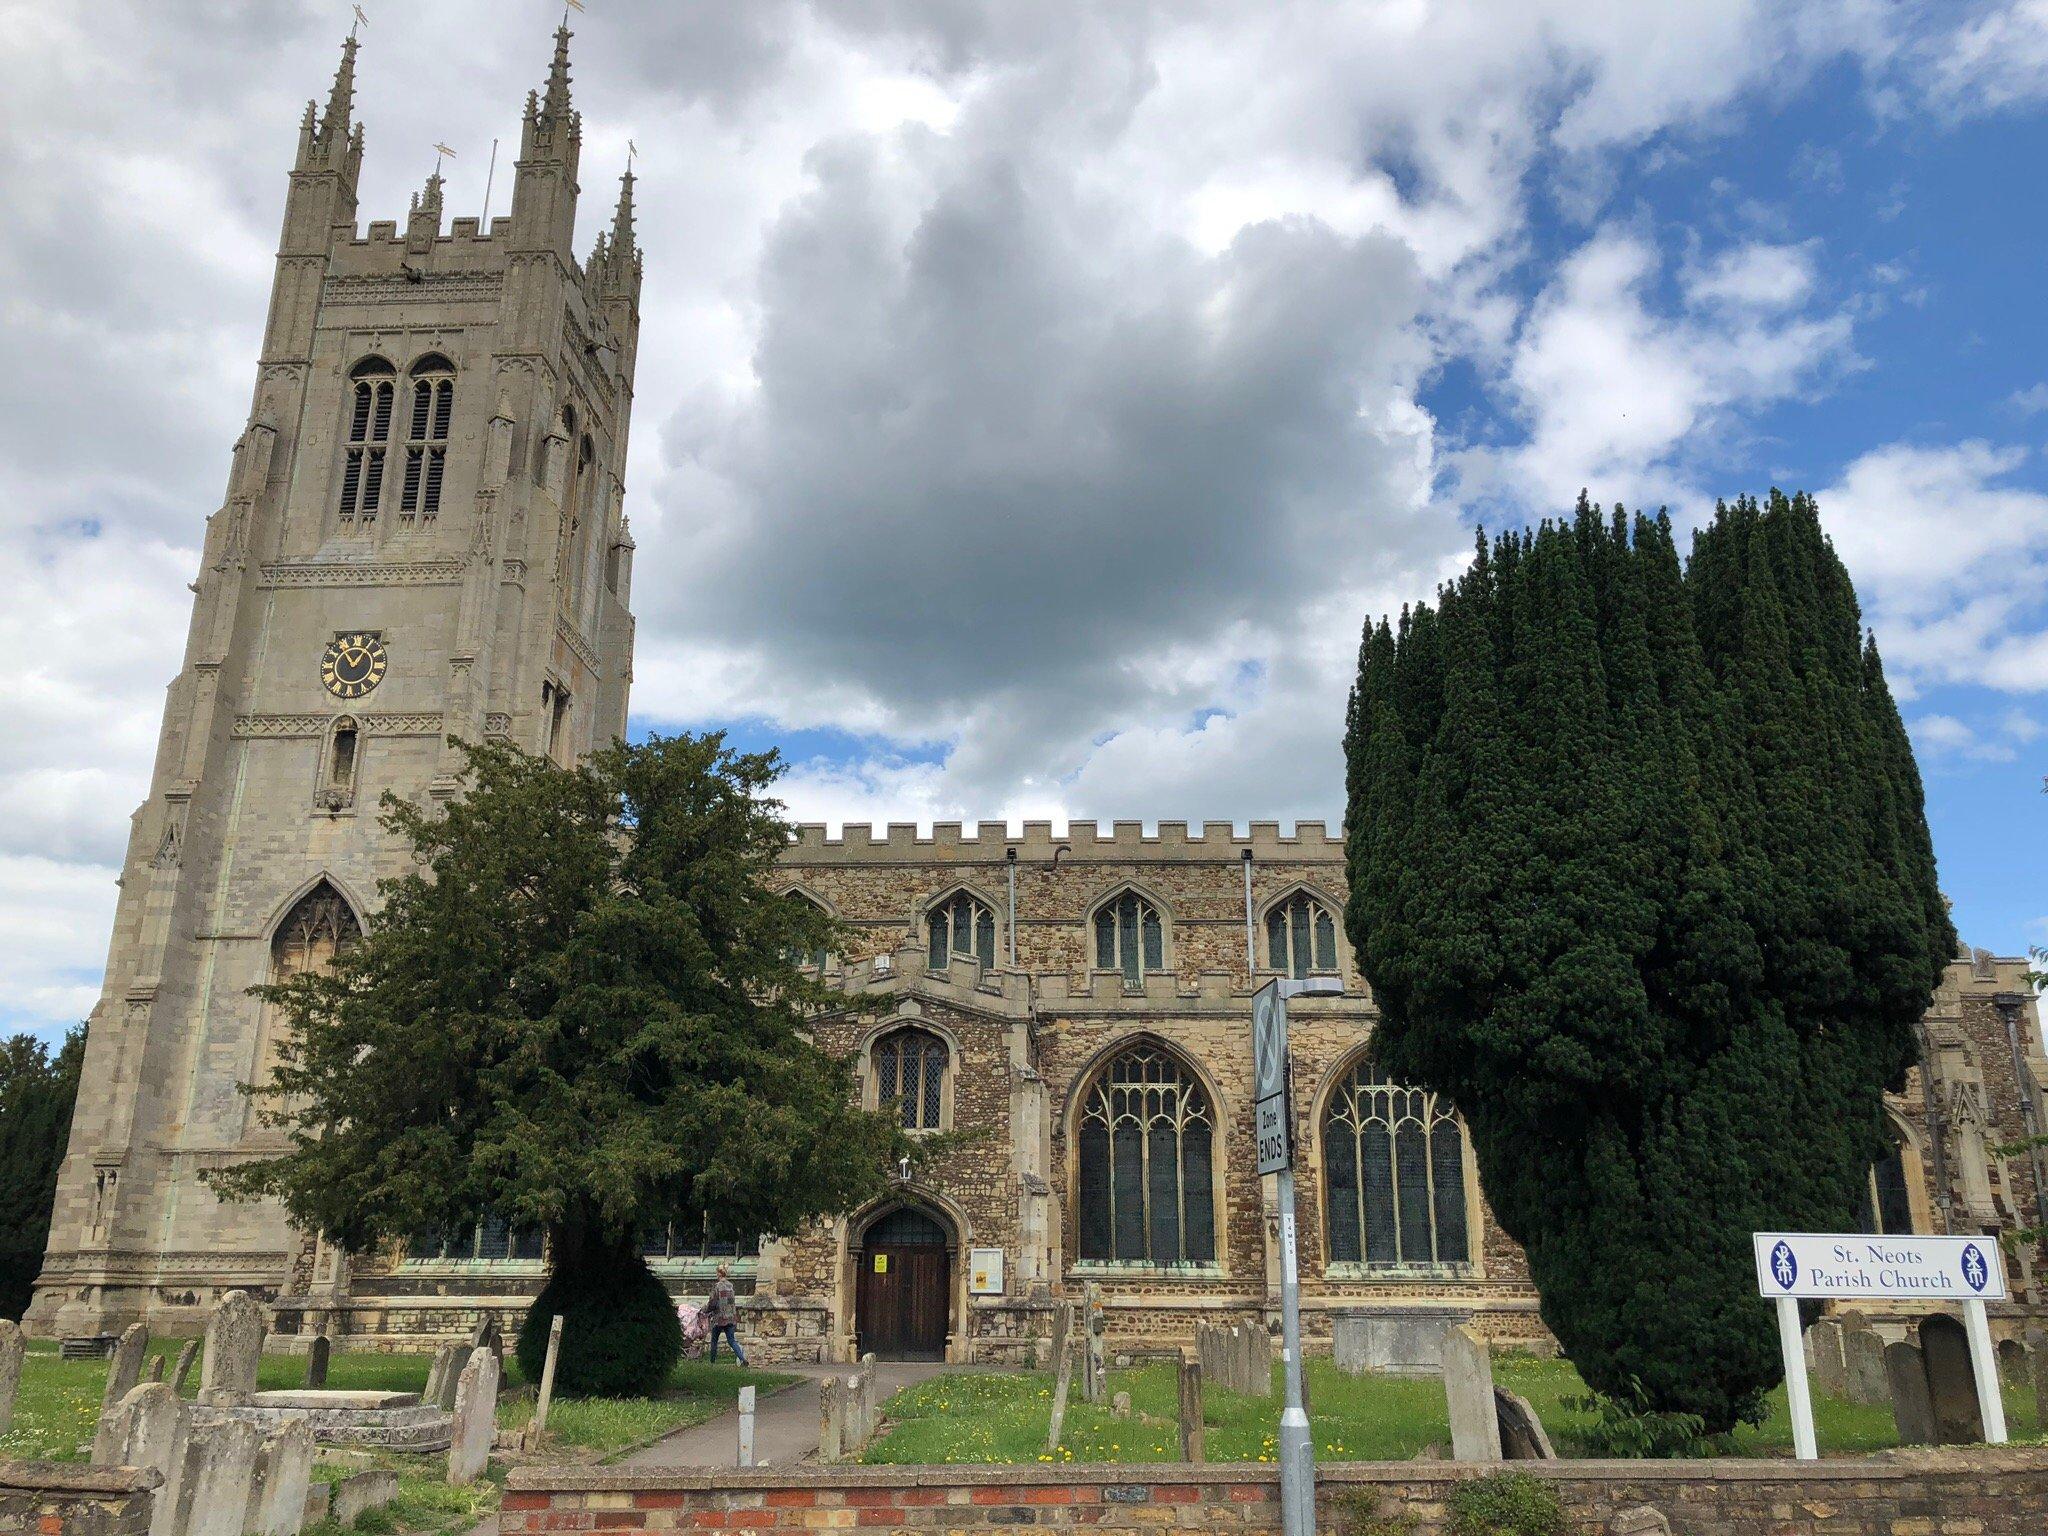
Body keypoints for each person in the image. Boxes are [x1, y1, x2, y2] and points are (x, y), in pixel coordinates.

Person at [706, 1262, 747, 1365]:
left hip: (719, 1318)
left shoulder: (717, 1287)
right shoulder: (730, 1286)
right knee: (732, 1340)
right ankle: (742, 1359)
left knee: (714, 1340)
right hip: (731, 1317)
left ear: (718, 1274)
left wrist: (705, 1310)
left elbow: (712, 1302)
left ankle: (712, 1362)